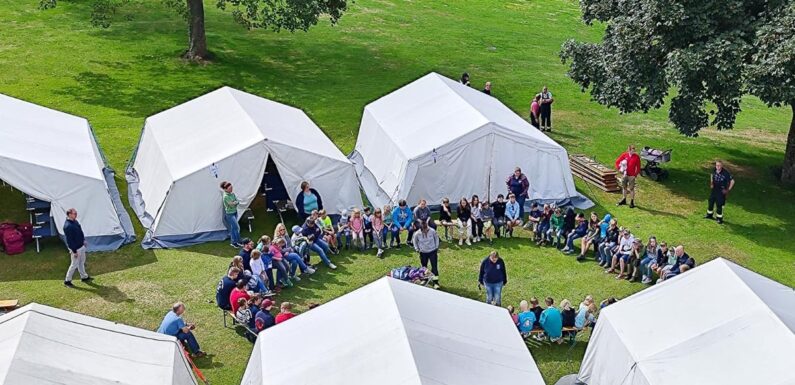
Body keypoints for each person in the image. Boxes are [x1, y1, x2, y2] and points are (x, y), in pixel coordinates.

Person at [63, 208, 91, 288]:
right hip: (76, 248)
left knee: (82, 262)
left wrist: (83, 240)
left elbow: (80, 231)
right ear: (69, 214)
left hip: (81, 246)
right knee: (74, 264)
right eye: (74, 213)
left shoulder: (75, 221)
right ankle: (67, 280)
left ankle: (84, 277)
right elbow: (70, 241)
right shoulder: (68, 226)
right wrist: (74, 251)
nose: (76, 214)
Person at [412, 220, 441, 288]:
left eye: (426, 229)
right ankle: (425, 279)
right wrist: (417, 248)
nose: (426, 231)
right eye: (424, 230)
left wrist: (436, 247)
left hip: (432, 252)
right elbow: (414, 241)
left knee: (434, 267)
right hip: (423, 253)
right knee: (424, 267)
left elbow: (436, 239)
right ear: (421, 229)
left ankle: (435, 282)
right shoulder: (417, 233)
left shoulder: (432, 231)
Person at [220, 181, 242, 247]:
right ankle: (239, 241)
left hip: (235, 212)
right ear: (225, 189)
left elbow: (237, 201)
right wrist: (234, 202)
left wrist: (234, 202)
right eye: (230, 188)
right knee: (236, 227)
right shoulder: (225, 196)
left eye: (231, 188)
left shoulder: (232, 194)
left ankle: (233, 242)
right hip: (230, 214)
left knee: (233, 228)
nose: (231, 189)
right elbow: (231, 204)